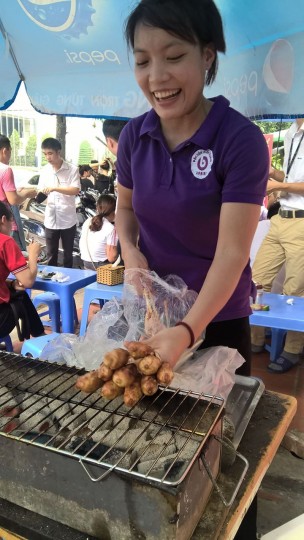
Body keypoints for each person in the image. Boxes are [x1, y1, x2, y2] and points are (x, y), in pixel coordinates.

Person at [115, 3, 269, 537]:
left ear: (207, 58)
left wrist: (187, 330)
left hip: (218, 319)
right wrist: (133, 259)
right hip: (154, 316)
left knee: (225, 463)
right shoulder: (135, 137)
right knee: (155, 451)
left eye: (173, 56)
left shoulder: (240, 140)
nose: (156, 77)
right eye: (141, 60)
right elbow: (126, 213)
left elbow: (232, 253)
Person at [251, 118, 304, 373]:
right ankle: (255, 339)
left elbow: (289, 185)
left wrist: (279, 185)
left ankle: (292, 350)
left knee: (296, 290)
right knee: (257, 280)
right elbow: (291, 177)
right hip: (281, 218)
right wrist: (275, 174)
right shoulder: (294, 131)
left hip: (302, 223)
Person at [0, 202, 45, 341]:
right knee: (22, 296)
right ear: (3, 220)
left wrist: (10, 284)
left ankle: (39, 336)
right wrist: (33, 255)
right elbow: (28, 281)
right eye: (11, 222)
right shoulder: (5, 242)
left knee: (17, 292)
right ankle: (40, 339)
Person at [37, 137, 80, 268]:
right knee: (51, 254)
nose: (47, 157)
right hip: (50, 218)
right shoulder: (44, 170)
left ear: (58, 152)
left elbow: (75, 190)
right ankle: (52, 282)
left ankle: (68, 284)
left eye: (50, 153)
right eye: (45, 154)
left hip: (67, 219)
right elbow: (40, 190)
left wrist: (54, 188)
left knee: (68, 255)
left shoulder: (72, 169)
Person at [0, 134, 37, 250]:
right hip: (5, 221)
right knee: (15, 257)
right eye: (10, 151)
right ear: (5, 150)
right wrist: (27, 193)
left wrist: (16, 191)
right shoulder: (5, 169)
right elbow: (13, 199)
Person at [79, 194, 118, 270]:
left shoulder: (88, 221)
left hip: (86, 262)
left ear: (97, 208)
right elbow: (111, 258)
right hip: (102, 267)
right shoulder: (110, 228)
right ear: (114, 211)